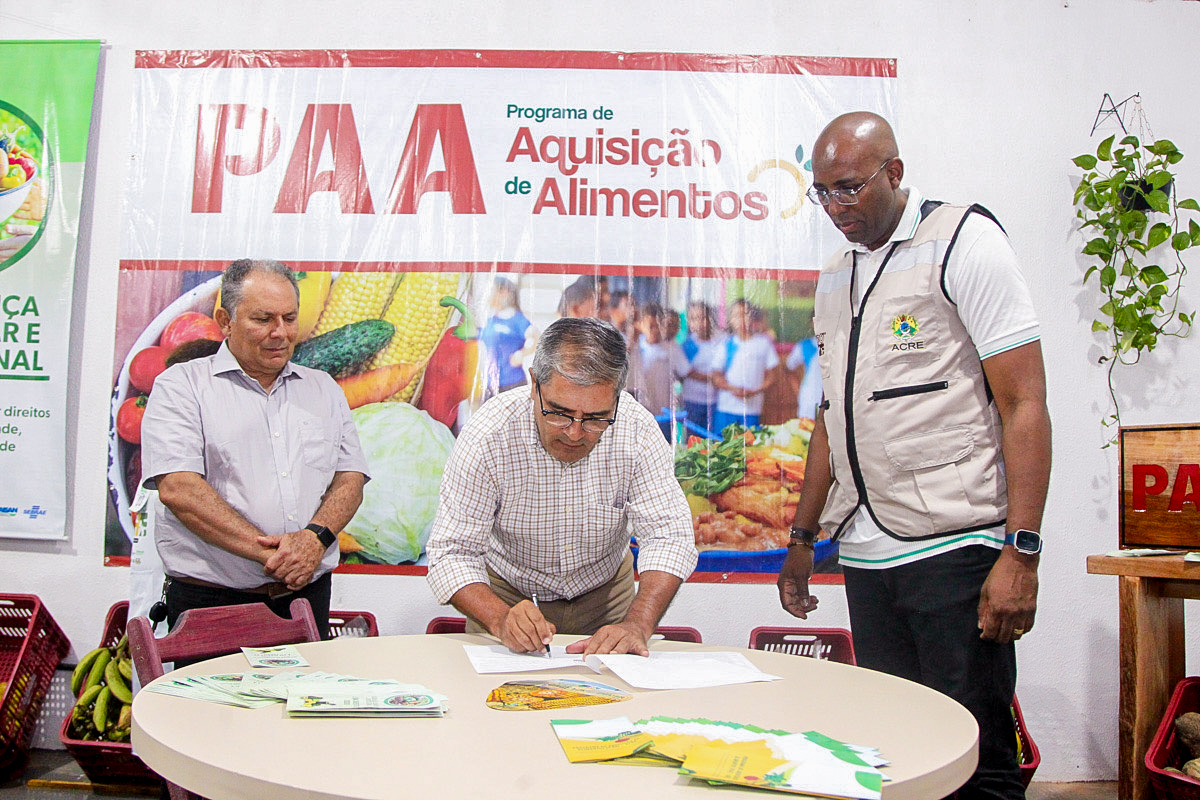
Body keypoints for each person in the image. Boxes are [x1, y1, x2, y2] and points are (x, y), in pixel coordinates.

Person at [776, 112, 1050, 800]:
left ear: (893, 173)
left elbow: (1024, 403)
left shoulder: (963, 241)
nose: (835, 208)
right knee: (898, 751)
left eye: (848, 188)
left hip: (956, 550)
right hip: (869, 556)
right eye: (823, 193)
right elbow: (829, 419)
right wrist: (803, 538)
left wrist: (1021, 552)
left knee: (975, 752)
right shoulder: (837, 276)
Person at [425, 317, 697, 657]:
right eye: (559, 412)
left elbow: (668, 537)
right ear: (534, 382)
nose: (574, 432)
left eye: (596, 418)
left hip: (608, 600)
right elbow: (452, 552)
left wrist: (638, 624)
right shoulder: (489, 434)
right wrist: (499, 619)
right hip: (508, 596)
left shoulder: (636, 428)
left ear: (617, 396)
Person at [140, 259, 370, 640]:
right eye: (263, 319)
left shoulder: (323, 388)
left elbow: (350, 479)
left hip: (306, 598)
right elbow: (179, 489)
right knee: (213, 702)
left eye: (290, 318)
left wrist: (315, 539)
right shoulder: (181, 386)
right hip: (212, 603)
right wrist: (274, 556)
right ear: (225, 320)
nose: (280, 333)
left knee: (300, 700)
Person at [711, 299, 779, 432]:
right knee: (721, 446)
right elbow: (715, 377)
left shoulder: (764, 344)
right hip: (726, 408)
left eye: (745, 314)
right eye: (737, 315)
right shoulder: (725, 344)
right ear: (730, 319)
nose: (741, 319)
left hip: (752, 410)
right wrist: (733, 389)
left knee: (750, 449)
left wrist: (755, 391)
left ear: (752, 316)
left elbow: (773, 376)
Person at [626, 301, 689, 440]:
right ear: (641, 324)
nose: (655, 330)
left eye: (659, 326)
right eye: (651, 326)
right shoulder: (633, 347)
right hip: (639, 416)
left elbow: (685, 373)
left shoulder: (672, 348)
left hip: (663, 416)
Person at [478, 277, 534, 399]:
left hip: (512, 384)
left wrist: (521, 354)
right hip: (490, 385)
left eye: (490, 290)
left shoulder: (517, 319)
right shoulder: (489, 321)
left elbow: (537, 338)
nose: (487, 294)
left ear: (504, 292)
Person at [680, 301, 726, 434]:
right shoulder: (687, 345)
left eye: (703, 318)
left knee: (715, 441)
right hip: (692, 402)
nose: (700, 323)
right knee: (693, 442)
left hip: (716, 402)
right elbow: (687, 373)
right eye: (694, 319)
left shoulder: (721, 341)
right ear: (689, 321)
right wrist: (716, 378)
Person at [785, 335, 822, 421]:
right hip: (809, 400)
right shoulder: (804, 345)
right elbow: (788, 368)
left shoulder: (838, 344)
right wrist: (797, 390)